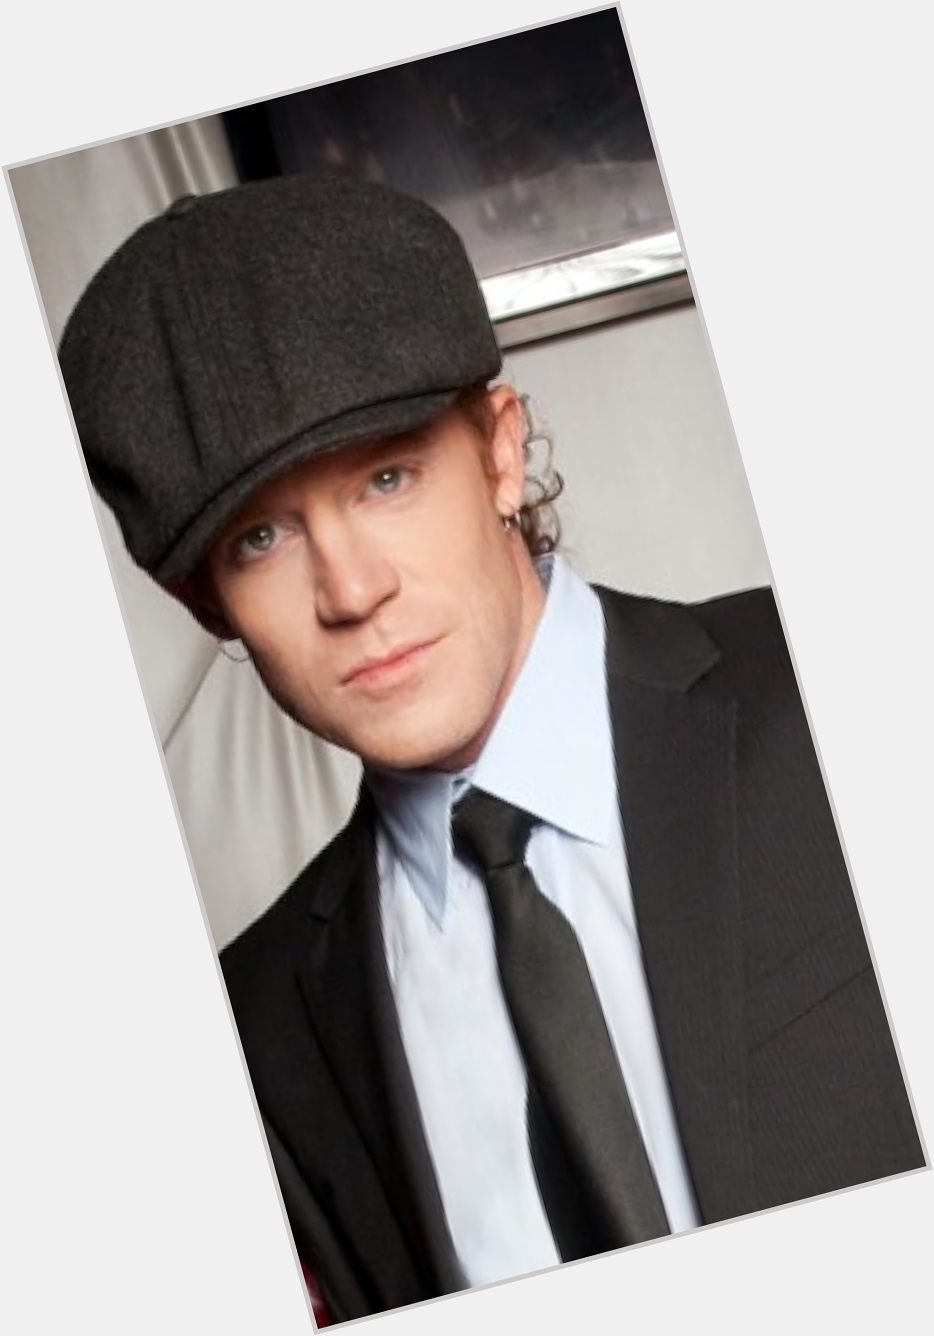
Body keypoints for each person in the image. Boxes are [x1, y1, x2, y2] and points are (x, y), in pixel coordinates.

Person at [58, 172, 923, 1325]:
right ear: (205, 602)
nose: (351, 589)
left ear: (501, 452)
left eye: (387, 476)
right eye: (261, 538)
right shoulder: (254, 1027)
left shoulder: (846, 674)